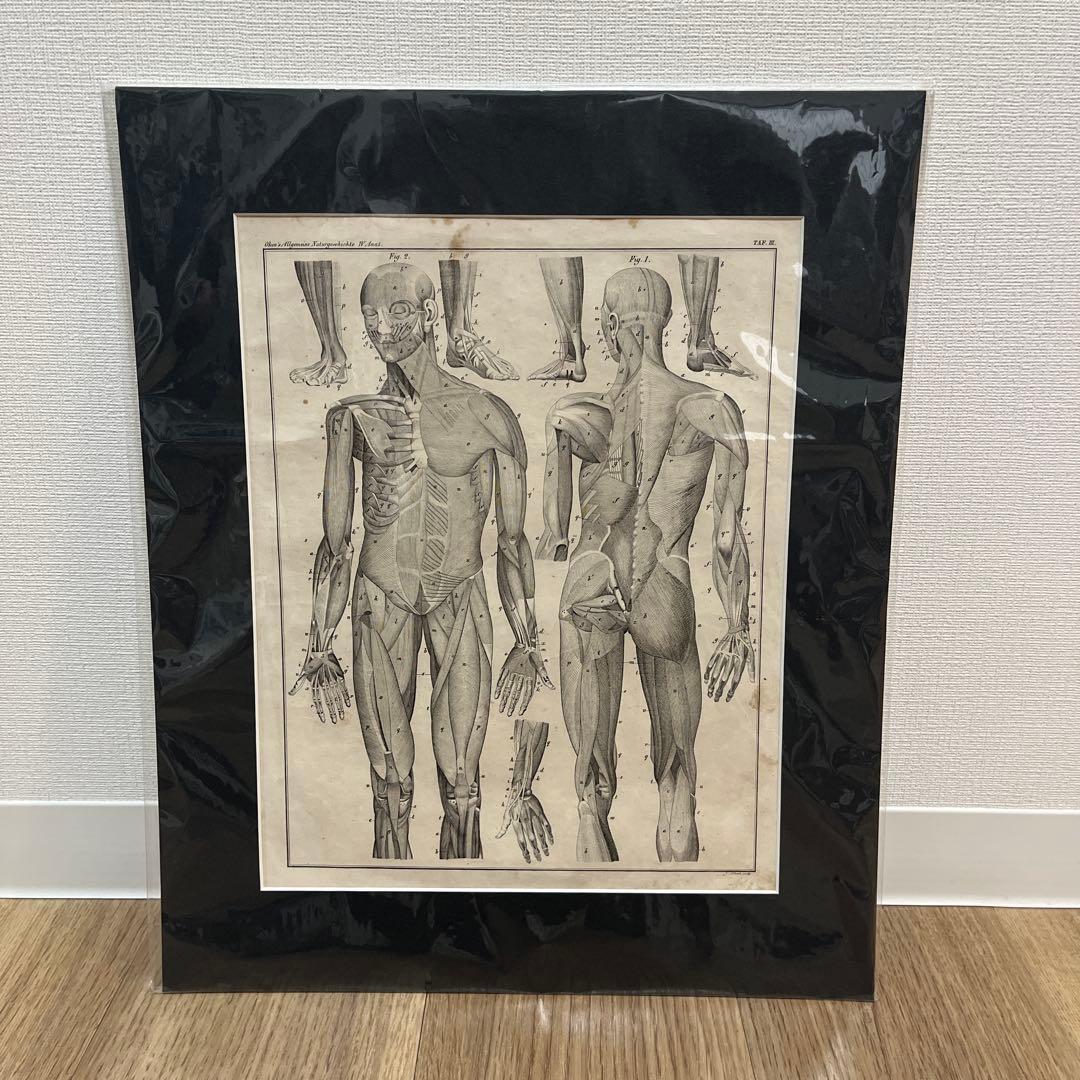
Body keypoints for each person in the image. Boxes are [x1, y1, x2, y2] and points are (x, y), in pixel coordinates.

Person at [291, 262, 552, 863]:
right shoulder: (350, 419)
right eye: (371, 316)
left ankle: (466, 901)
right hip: (379, 597)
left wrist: (527, 640)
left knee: (463, 784)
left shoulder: (489, 413)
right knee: (390, 786)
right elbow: (336, 544)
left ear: (431, 314)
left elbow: (513, 540)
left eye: (399, 311)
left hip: (460, 592)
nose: (383, 327)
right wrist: (319, 644)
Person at [538, 267, 754, 862]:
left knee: (589, 791)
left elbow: (553, 539)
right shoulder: (708, 407)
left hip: (592, 583)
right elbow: (728, 536)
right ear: (668, 323)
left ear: (609, 326)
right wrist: (738, 627)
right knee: (678, 780)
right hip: (665, 581)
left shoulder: (574, 413)